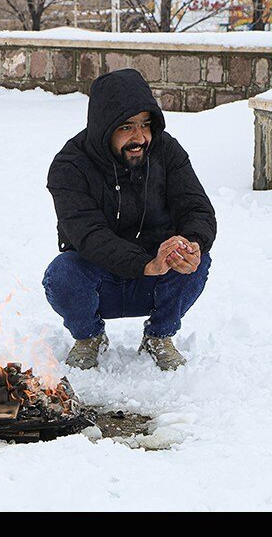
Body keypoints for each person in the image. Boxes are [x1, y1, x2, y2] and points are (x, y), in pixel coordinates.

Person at [43, 69, 216, 371]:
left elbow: (197, 208)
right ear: (103, 127)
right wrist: (144, 264)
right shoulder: (69, 165)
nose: (140, 138)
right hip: (100, 280)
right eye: (126, 127)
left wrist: (192, 243)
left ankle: (159, 336)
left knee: (197, 260)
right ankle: (89, 337)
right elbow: (88, 233)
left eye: (145, 125)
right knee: (62, 274)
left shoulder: (166, 151)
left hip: (158, 274)